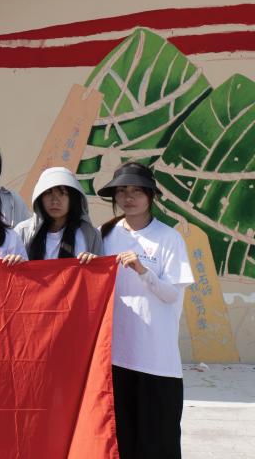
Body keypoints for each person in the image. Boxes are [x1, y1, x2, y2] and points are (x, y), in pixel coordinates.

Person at [97, 162, 193, 459]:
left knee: (158, 442)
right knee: (120, 441)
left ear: (151, 196)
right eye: (122, 191)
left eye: (137, 191)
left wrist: (143, 271)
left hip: (156, 360)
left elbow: (172, 294)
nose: (129, 198)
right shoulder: (104, 235)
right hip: (115, 356)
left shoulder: (169, 238)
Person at [14, 167, 102, 262]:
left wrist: (95, 263)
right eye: (48, 193)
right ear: (40, 198)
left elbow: (102, 270)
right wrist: (14, 262)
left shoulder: (90, 234)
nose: (55, 201)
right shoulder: (23, 231)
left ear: (73, 198)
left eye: (62, 193)